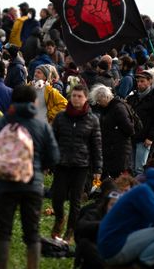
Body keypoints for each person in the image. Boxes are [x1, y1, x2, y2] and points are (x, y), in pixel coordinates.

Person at [0, 84, 60, 269]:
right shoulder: (41, 124)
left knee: (3, 231)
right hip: (32, 184)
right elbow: (54, 156)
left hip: (5, 183)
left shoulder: (3, 122)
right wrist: (38, 168)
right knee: (32, 232)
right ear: (33, 101)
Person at [51, 84, 102, 242]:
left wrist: (98, 168)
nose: (76, 99)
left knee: (75, 200)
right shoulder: (61, 117)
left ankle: (70, 230)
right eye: (74, 96)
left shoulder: (92, 119)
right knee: (57, 197)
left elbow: (97, 145)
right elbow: (52, 140)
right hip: (61, 163)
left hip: (81, 165)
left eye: (79, 96)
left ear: (86, 98)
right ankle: (60, 218)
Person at [90, 84, 134, 179]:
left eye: (99, 100)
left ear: (106, 97)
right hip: (111, 149)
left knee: (118, 177)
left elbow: (130, 129)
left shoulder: (118, 108)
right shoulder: (107, 108)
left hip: (119, 150)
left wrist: (115, 132)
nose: (98, 103)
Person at [127, 72, 154, 175]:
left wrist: (150, 137)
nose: (139, 84)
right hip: (133, 135)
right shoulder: (134, 95)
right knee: (131, 167)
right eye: (138, 81)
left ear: (150, 81)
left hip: (144, 138)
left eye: (142, 81)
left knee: (139, 168)